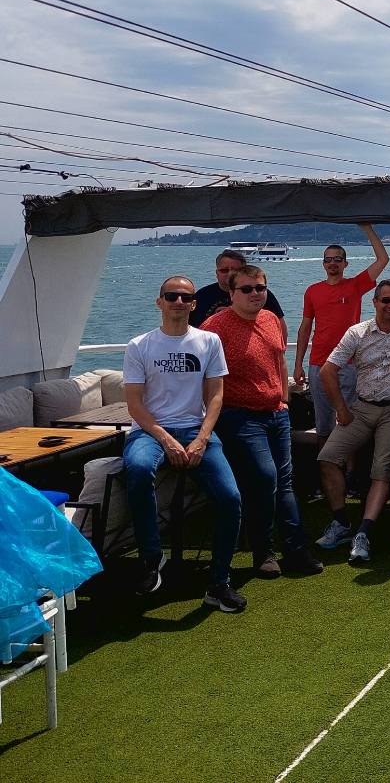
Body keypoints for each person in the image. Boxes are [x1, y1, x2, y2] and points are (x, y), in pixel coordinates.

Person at [122, 277, 245, 613]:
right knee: (139, 468)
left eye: (185, 297)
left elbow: (216, 395)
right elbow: (134, 403)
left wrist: (203, 439)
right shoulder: (139, 345)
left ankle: (219, 583)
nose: (178, 301)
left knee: (231, 499)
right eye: (171, 296)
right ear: (159, 302)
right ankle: (152, 558)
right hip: (150, 431)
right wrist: (166, 440)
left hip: (195, 429)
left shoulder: (209, 341)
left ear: (193, 304)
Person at [202, 264, 323, 579]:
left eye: (260, 288)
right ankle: (263, 552)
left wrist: (284, 400)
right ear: (232, 294)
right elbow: (202, 376)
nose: (255, 294)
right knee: (266, 479)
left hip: (276, 414)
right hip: (239, 416)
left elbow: (279, 359)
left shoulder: (270, 319)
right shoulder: (214, 328)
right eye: (247, 289)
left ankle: (295, 550)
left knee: (285, 481)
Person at [314, 280, 390, 564]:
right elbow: (327, 371)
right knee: (327, 458)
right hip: (362, 408)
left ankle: (363, 533)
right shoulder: (358, 332)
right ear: (374, 302)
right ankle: (341, 523)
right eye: (385, 300)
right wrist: (341, 409)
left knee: (381, 470)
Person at [293, 224, 390, 444]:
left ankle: (349, 465)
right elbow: (305, 328)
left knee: (350, 422)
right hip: (318, 363)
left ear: (345, 263)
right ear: (323, 264)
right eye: (328, 259)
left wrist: (368, 229)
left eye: (338, 259)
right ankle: (325, 463)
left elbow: (383, 259)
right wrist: (298, 365)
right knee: (323, 423)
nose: (332, 263)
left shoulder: (355, 286)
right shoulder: (312, 291)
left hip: (349, 363)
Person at [190, 248, 287, 341]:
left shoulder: (260, 294)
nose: (229, 274)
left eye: (235, 270)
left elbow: (280, 327)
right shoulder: (201, 296)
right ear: (217, 273)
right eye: (224, 270)